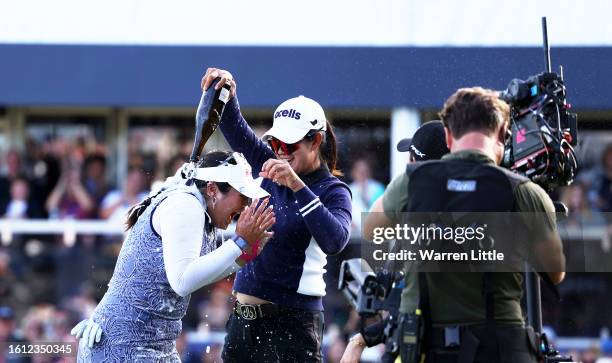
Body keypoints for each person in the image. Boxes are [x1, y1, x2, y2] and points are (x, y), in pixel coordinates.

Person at [359, 88, 565, 363]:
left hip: (425, 347)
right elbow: (555, 272)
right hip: (499, 349)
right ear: (503, 133)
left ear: (447, 135)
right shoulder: (524, 192)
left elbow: (371, 229)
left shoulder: (411, 183)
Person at [201, 68, 352, 362]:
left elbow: (336, 241)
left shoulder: (333, 190)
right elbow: (236, 130)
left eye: (289, 145)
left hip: (293, 327)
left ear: (316, 141)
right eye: (276, 144)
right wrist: (227, 91)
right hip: (243, 322)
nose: (280, 152)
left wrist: (296, 184)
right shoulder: (269, 163)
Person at [71, 150, 275, 362]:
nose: (245, 205)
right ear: (213, 189)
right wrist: (239, 242)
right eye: (242, 196)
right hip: (122, 344)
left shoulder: (200, 208)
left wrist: (245, 253)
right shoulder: (185, 206)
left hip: (152, 343)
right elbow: (182, 281)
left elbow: (200, 273)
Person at [341, 120, 449, 363]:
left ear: (415, 162)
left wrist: (407, 186)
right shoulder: (474, 201)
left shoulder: (410, 187)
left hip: (420, 340)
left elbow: (370, 227)